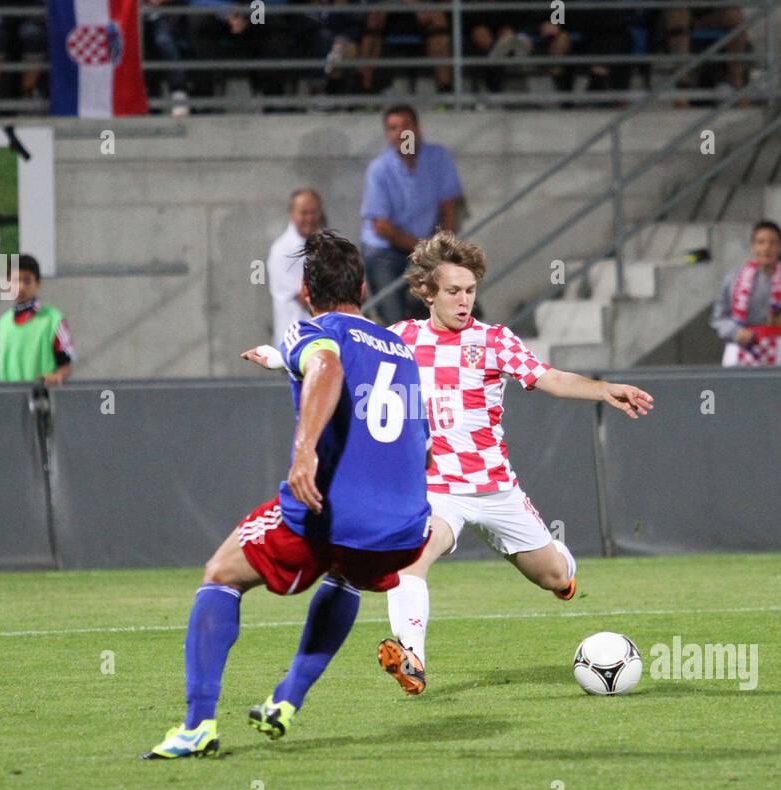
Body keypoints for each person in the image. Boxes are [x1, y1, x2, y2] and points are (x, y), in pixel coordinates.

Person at [246, 231, 654, 696]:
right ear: (426, 292)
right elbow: (337, 357)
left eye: (471, 291)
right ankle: (413, 658)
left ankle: (560, 570)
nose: (464, 301)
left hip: (495, 488)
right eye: (453, 291)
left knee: (555, 577)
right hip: (438, 490)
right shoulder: (398, 341)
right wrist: (282, 359)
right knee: (411, 562)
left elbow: (549, 377)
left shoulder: (494, 340)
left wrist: (605, 389)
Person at [144, 230, 433, 759]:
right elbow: (422, 442)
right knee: (345, 574)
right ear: (364, 286)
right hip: (405, 528)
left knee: (221, 574)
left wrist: (306, 451)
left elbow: (326, 365)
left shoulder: (314, 330)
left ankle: (196, 726)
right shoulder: (400, 347)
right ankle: (286, 702)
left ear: (305, 290)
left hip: (335, 512)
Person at [360, 105, 463, 325]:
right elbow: (381, 226)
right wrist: (426, 249)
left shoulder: (439, 157)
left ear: (417, 129)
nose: (399, 133)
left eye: (405, 126)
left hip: (424, 248)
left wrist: (442, 248)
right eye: (392, 128)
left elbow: (450, 206)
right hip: (384, 251)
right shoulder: (379, 169)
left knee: (434, 309)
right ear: (387, 134)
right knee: (394, 317)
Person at [709, 220, 781, 367]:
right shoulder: (733, 279)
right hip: (741, 352)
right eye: (761, 242)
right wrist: (735, 332)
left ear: (780, 247)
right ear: (752, 247)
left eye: (772, 243)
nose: (766, 248)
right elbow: (718, 318)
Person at [0, 253, 76, 384]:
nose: (21, 287)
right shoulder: (3, 322)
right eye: (15, 280)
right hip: (8, 399)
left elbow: (66, 365)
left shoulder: (54, 319)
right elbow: (1, 369)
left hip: (40, 399)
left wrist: (57, 377)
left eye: (27, 281)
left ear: (38, 283)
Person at [266, 188, 323, 347]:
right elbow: (306, 299)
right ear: (291, 214)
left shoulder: (324, 245)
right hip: (296, 343)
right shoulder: (283, 250)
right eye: (304, 213)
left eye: (314, 212)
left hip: (318, 341)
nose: (310, 218)